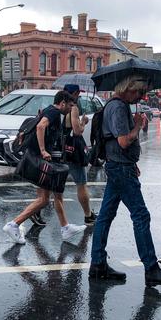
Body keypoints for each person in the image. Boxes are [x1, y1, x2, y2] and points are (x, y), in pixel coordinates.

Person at [89, 74, 161, 287]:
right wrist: (137, 126)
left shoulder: (116, 106)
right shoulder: (119, 107)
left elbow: (117, 143)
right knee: (141, 216)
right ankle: (151, 269)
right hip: (121, 169)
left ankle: (98, 264)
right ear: (128, 88)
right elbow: (123, 141)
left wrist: (132, 161)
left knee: (105, 216)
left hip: (120, 166)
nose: (141, 97)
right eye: (139, 92)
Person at [3, 90, 87, 244]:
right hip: (42, 160)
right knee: (43, 200)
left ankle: (65, 228)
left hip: (43, 159)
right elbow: (40, 127)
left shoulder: (50, 110)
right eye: (69, 105)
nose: (70, 109)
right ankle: (13, 224)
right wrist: (43, 150)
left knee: (57, 196)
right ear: (62, 103)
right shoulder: (54, 112)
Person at [62, 84, 96, 225]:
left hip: (61, 149)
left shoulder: (59, 106)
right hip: (73, 152)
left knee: (55, 187)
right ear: (74, 93)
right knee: (81, 183)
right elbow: (77, 131)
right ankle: (88, 215)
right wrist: (83, 122)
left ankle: (37, 211)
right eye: (78, 94)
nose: (79, 96)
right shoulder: (73, 108)